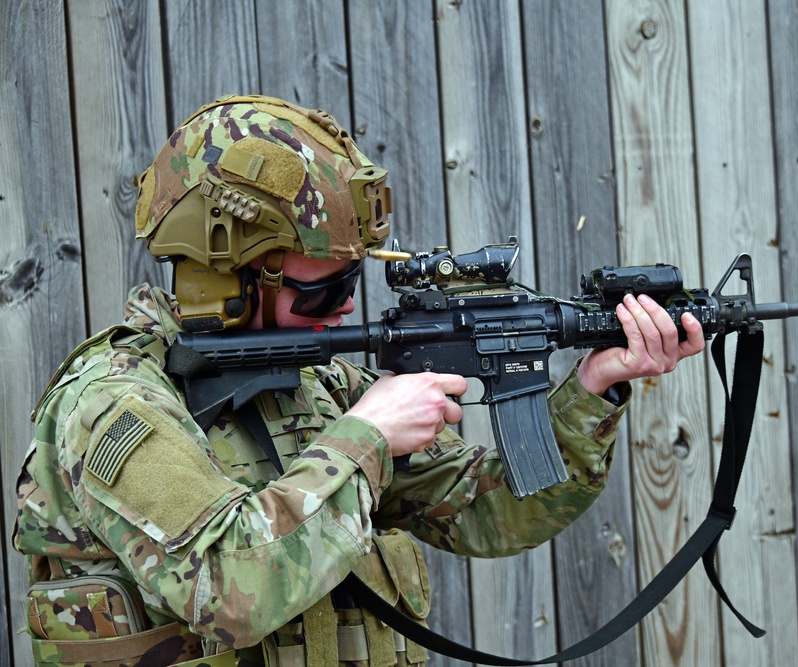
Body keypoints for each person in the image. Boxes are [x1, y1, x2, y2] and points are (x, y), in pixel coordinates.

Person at [13, 95, 705, 666]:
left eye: (354, 278)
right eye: (326, 286)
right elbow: (225, 588)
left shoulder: (315, 387)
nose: (347, 304)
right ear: (227, 271)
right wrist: (367, 436)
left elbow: (487, 513)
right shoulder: (113, 405)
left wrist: (593, 387)